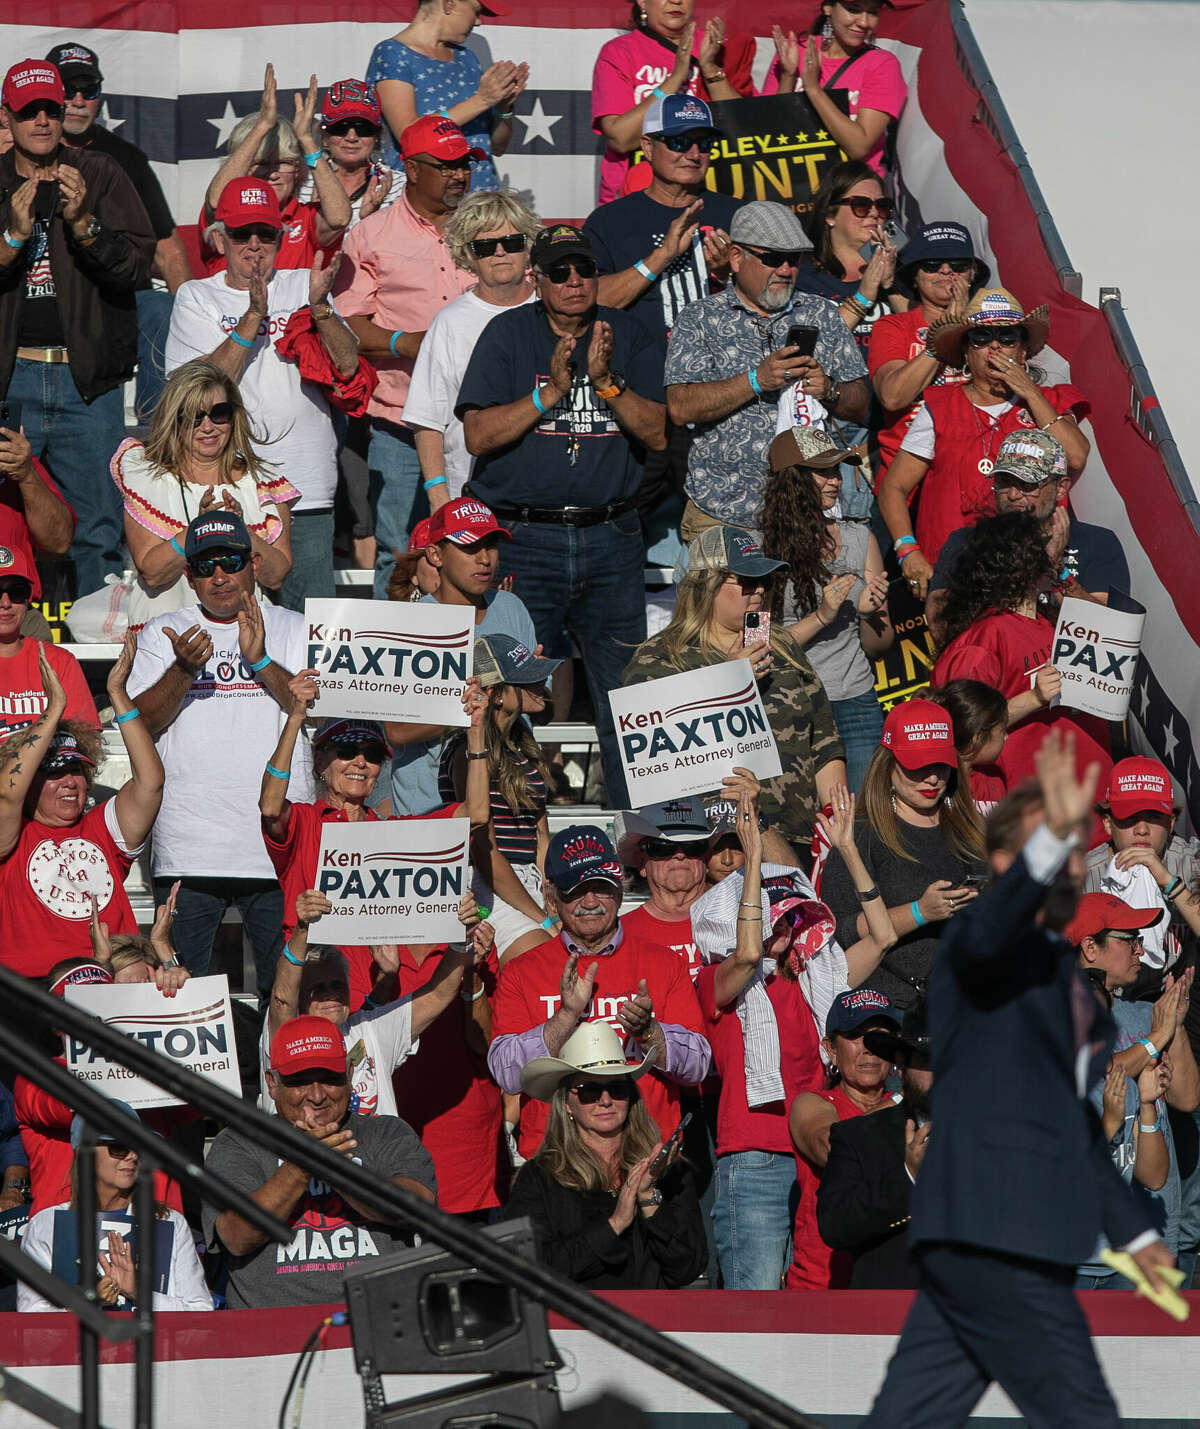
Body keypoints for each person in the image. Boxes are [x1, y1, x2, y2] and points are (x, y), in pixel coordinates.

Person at [862, 733, 1175, 1429]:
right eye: (1051, 853)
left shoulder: (1071, 994)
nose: (1069, 866)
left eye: (1069, 855)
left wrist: (1135, 1233)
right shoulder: (971, 955)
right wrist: (1051, 838)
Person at [458, 223, 667, 808]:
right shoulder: (506, 333)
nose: (574, 282)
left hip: (611, 535)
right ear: (537, 281)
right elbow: (476, 433)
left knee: (628, 697)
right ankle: (506, 833)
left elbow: (658, 433)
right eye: (559, 272)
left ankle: (639, 840)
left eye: (583, 270)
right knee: (501, 691)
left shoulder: (629, 331)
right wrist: (549, 393)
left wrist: (605, 383)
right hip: (523, 536)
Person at [688, 785, 894, 1288]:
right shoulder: (719, 979)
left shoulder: (818, 978)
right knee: (754, 1305)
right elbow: (745, 956)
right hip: (756, 1154)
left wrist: (846, 850)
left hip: (822, 1151)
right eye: (778, 920)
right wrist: (752, 863)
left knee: (814, 1293)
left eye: (795, 918)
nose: (787, 928)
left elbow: (884, 936)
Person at [128, 511, 315, 996]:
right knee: (180, 996)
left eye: (230, 561)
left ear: (253, 563)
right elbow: (141, 724)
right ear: (188, 576)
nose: (219, 576)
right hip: (190, 846)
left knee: (286, 998)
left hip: (279, 843)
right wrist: (183, 671)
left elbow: (317, 714)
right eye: (205, 565)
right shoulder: (163, 633)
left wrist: (260, 661)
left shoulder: (298, 629)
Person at [165, 176, 357, 610]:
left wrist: (322, 309)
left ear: (281, 236)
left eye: (265, 233)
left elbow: (347, 365)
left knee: (309, 628)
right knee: (224, 620)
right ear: (219, 238)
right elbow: (193, 391)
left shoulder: (305, 285)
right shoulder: (197, 296)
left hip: (305, 482)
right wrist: (253, 317)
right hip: (224, 485)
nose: (254, 244)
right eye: (241, 233)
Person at [0, 59, 155, 596]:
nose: (42, 121)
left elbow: (139, 266)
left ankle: (95, 672)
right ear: (8, 118)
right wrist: (13, 239)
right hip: (10, 379)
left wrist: (86, 225)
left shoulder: (101, 171)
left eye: (50, 108)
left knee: (96, 531)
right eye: (28, 112)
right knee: (9, 529)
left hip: (85, 381)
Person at [259, 667, 489, 1011]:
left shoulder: (391, 831)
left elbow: (477, 813)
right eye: (347, 750)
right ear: (321, 760)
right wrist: (295, 718)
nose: (361, 761)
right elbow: (270, 805)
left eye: (372, 753)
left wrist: (475, 732)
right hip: (315, 997)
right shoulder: (305, 822)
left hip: (384, 996)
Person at [488, 825, 711, 1162]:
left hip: (647, 1163)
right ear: (551, 898)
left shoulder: (665, 963)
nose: (590, 902)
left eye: (601, 888)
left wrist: (649, 1033)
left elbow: (698, 1064)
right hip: (556, 1164)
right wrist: (564, 1018)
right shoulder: (521, 971)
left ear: (619, 891)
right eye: (576, 891)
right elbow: (505, 1073)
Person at [622, 523, 847, 849]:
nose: (758, 590)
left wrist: (833, 821)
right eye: (745, 581)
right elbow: (656, 766)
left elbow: (824, 743)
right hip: (712, 844)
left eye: (763, 580)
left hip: (796, 837)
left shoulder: (781, 644)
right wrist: (727, 680)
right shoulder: (655, 660)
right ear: (705, 585)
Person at [334, 114, 479, 596]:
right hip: (398, 421)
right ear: (412, 170)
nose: (460, 174)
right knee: (399, 549)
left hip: (478, 422)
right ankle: (392, 662)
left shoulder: (487, 228)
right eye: (447, 165)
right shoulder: (371, 234)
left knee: (477, 547)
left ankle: (476, 655)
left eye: (466, 164)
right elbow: (348, 325)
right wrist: (407, 342)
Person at [664, 201, 868, 540]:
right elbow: (680, 406)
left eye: (794, 259)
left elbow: (860, 402)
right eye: (772, 258)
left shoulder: (821, 314)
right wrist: (756, 380)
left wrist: (829, 389)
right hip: (722, 513)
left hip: (806, 519)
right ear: (736, 257)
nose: (786, 269)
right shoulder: (699, 317)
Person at [203, 1014, 437, 1309]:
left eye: (329, 1078)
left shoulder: (386, 1133)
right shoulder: (240, 1142)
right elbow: (236, 1237)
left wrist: (338, 1172)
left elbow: (419, 1208)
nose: (316, 1095)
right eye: (299, 1081)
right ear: (272, 1084)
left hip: (380, 1320)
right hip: (272, 1334)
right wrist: (300, 1167)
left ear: (349, 1075)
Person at [878, 287, 1091, 576]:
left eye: (1007, 337)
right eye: (981, 338)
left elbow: (1076, 457)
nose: (995, 347)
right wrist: (907, 550)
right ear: (966, 351)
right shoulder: (939, 406)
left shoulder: (1050, 401)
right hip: (953, 569)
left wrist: (1029, 391)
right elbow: (893, 486)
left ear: (1023, 348)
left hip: (1028, 569)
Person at [47, 41, 193, 416]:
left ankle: (156, 425)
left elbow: (167, 248)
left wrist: (197, 326)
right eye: (68, 89)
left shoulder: (127, 158)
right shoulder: (20, 152)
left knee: (162, 308)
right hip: (49, 296)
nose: (79, 100)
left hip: (118, 298)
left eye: (89, 90)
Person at [0, 638, 161, 978]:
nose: (70, 781)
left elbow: (150, 783)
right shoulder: (12, 838)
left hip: (107, 979)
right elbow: (7, 795)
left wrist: (118, 695)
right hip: (33, 989)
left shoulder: (101, 827)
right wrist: (53, 710)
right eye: (55, 773)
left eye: (77, 771)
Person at [505, 1020, 707, 1287]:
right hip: (571, 1324)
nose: (605, 1100)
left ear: (631, 1096)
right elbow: (529, 1269)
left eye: (617, 1088)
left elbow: (688, 1267)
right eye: (589, 1090)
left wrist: (648, 1199)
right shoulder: (539, 1178)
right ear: (567, 1103)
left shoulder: (669, 1171)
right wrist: (615, 1224)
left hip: (649, 1323)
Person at [930, 512, 1112, 801]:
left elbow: (1110, 633)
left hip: (1089, 803)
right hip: (1027, 814)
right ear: (1022, 562)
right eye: (1041, 547)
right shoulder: (983, 640)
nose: (1052, 552)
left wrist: (1060, 573)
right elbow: (961, 731)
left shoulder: (1050, 620)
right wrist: (1035, 698)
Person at [261, 887, 488, 1117]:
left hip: (377, 1151)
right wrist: (302, 931)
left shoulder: (369, 1030)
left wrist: (461, 940)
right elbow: (282, 999)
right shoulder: (288, 1034)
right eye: (318, 989)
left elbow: (438, 994)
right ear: (301, 995)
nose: (331, 994)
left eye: (338, 985)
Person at [820, 699, 986, 1012]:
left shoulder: (970, 830)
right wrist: (919, 912)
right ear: (888, 764)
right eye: (918, 765)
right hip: (887, 1009)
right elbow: (838, 933)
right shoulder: (857, 836)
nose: (933, 778)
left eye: (940, 765)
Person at [1067, 892, 1200, 1282]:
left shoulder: (1145, 1015)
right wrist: (1158, 1036)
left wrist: (1172, 1025)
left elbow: (1187, 1097)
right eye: (1130, 939)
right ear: (1090, 947)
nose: (1141, 950)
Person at [384, 496, 538, 818]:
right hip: (431, 809)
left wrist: (527, 688)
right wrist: (477, 707)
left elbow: (539, 703)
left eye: (491, 545)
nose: (485, 559)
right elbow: (396, 731)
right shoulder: (407, 624)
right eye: (470, 547)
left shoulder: (511, 608)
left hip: (508, 799)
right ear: (435, 554)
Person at [112, 361, 298, 622]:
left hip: (243, 638)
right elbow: (153, 573)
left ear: (234, 416)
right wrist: (200, 530)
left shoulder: (262, 481)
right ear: (173, 421)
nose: (208, 426)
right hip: (168, 634)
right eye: (193, 417)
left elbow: (276, 576)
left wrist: (241, 531)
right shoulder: (147, 478)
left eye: (219, 413)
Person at [762, 426, 892, 791]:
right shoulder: (758, 551)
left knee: (861, 820)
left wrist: (868, 613)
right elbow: (755, 643)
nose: (835, 481)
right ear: (792, 480)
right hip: (786, 704)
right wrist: (821, 616)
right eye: (824, 471)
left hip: (855, 703)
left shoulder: (858, 539)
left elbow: (880, 646)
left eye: (837, 471)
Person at [403, 191, 540, 508]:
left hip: (545, 495)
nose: (501, 253)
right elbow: (427, 421)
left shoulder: (554, 312)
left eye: (513, 242)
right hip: (470, 495)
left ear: (529, 247)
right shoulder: (449, 323)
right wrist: (439, 496)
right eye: (486, 246)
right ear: (468, 255)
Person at [18, 1103, 212, 1313]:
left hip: (156, 1345)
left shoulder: (169, 1222)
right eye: (118, 1147)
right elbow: (32, 1319)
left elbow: (200, 1311)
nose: (132, 1155)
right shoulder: (46, 1225)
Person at [440, 632, 561, 963]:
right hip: (485, 886)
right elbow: (485, 851)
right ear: (495, 695)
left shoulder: (522, 744)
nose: (541, 684)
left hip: (527, 884)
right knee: (548, 961)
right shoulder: (466, 751)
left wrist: (552, 898)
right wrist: (543, 919)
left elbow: (541, 837)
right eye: (527, 680)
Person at [926, 429, 1130, 622]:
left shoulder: (1096, 542)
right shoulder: (965, 543)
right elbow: (940, 623)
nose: (1013, 495)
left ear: (1060, 488)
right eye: (1005, 482)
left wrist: (1058, 572)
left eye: (1028, 484)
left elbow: (1109, 632)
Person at [786, 987, 900, 1289]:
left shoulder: (910, 1107)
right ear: (831, 1049)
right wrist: (907, 1098)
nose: (868, 1048)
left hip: (887, 1288)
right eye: (855, 1035)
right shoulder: (811, 1104)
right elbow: (834, 1150)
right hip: (821, 1289)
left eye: (879, 1036)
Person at [591, 0, 754, 204]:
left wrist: (710, 68)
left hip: (712, 195)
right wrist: (676, 77)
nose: (676, 1)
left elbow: (746, 134)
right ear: (642, 2)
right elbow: (620, 139)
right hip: (637, 197)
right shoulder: (618, 52)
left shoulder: (715, 45)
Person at [817, 1005, 933, 1289]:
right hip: (890, 1319)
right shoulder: (859, 1136)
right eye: (927, 1060)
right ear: (902, 1063)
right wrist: (908, 1176)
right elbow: (834, 1225)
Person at [199, 65, 348, 276]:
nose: (273, 174)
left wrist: (307, 141)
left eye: (283, 163)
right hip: (233, 308)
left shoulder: (305, 217)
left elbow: (339, 218)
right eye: (261, 164)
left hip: (297, 309)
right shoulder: (226, 214)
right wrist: (262, 127)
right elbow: (216, 201)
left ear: (298, 170)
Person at [868, 222, 987, 480]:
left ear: (972, 272)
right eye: (932, 265)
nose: (946, 271)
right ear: (914, 275)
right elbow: (892, 397)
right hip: (908, 484)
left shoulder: (994, 326)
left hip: (978, 473)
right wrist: (944, 337)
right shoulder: (893, 327)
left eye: (958, 265)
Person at [367, 0, 527, 189]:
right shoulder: (391, 54)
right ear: (449, 4)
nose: (478, 22)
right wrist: (482, 100)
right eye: (476, 11)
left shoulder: (467, 58)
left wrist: (503, 108)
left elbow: (497, 147)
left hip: (481, 202)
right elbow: (407, 134)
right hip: (427, 205)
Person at [1084, 757, 1200, 977]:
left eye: (1153, 816)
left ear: (1171, 822)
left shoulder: (1192, 862)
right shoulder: (1083, 875)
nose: (1142, 830)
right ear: (1108, 822)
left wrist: (1169, 882)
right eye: (1130, 816)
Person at [766, 0, 907, 177]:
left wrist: (813, 89)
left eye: (873, 13)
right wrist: (787, 75)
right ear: (827, 8)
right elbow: (769, 135)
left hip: (850, 192)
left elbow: (859, 147)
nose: (864, 22)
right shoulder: (794, 52)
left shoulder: (882, 64)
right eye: (853, 9)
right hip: (790, 185)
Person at [794, 161, 905, 350]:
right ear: (830, 215)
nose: (874, 213)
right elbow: (810, 346)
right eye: (861, 205)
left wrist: (890, 286)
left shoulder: (904, 272)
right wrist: (863, 296)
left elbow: (926, 336)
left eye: (882, 205)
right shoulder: (802, 279)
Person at [0, 544, 97, 736]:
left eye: (17, 592)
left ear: (28, 599)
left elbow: (87, 740)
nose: (6, 603)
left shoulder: (60, 662)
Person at [303, 80, 401, 230]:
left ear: (377, 137)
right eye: (340, 128)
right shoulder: (300, 182)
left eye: (363, 129)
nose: (351, 138)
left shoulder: (400, 186)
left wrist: (369, 220)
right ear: (324, 137)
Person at [926, 677, 1008, 814]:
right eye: (1002, 731)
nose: (1006, 737)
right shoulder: (936, 787)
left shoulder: (994, 778)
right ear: (977, 738)